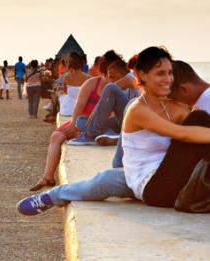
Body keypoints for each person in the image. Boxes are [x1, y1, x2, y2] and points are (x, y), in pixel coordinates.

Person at [15, 59, 208, 215]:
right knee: (106, 179)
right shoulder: (157, 107)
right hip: (153, 172)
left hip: (167, 180)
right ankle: (52, 196)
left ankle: (58, 190)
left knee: (109, 178)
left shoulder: (191, 109)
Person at [122, 47, 210, 208]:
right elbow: (182, 134)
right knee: (200, 118)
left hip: (174, 178)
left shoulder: (175, 106)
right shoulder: (137, 110)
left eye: (170, 73)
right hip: (154, 189)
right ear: (142, 75)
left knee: (200, 118)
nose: (168, 78)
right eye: (160, 73)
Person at [29, 50, 122, 191]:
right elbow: (79, 104)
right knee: (56, 136)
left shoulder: (120, 86)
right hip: (82, 121)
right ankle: (48, 177)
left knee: (75, 130)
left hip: (101, 126)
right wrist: (73, 123)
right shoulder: (92, 82)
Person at [68, 58, 140, 146]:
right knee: (80, 120)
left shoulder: (129, 78)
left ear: (121, 74)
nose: (110, 79)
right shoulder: (122, 85)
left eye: (112, 76)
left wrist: (95, 112)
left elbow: (113, 87)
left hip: (132, 122)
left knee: (110, 87)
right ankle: (108, 133)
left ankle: (90, 134)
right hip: (121, 122)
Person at [58, 52, 90, 116]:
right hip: (82, 108)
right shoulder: (89, 78)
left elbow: (65, 91)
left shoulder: (67, 77)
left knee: (60, 94)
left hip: (68, 109)